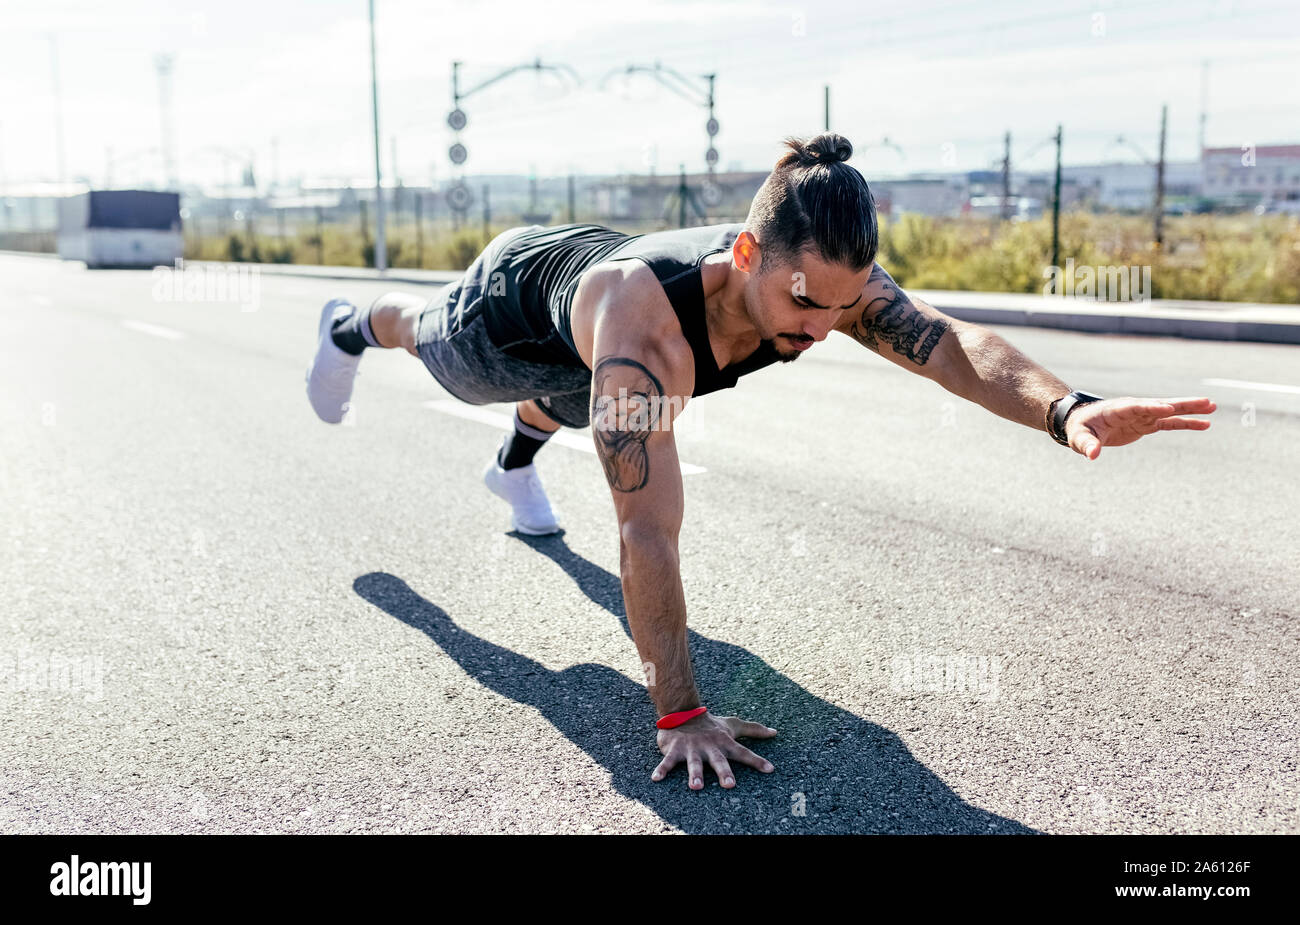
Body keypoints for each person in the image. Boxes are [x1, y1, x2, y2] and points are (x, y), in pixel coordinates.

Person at [306, 133, 1217, 791]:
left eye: (842, 306)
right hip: (509, 314)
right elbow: (646, 531)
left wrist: (1068, 408)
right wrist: (678, 710)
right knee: (434, 347)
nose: (823, 329)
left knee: (603, 406)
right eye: (802, 303)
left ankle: (514, 465)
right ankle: (350, 324)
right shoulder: (648, 337)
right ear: (745, 254)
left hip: (595, 336)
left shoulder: (820, 280)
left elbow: (944, 345)